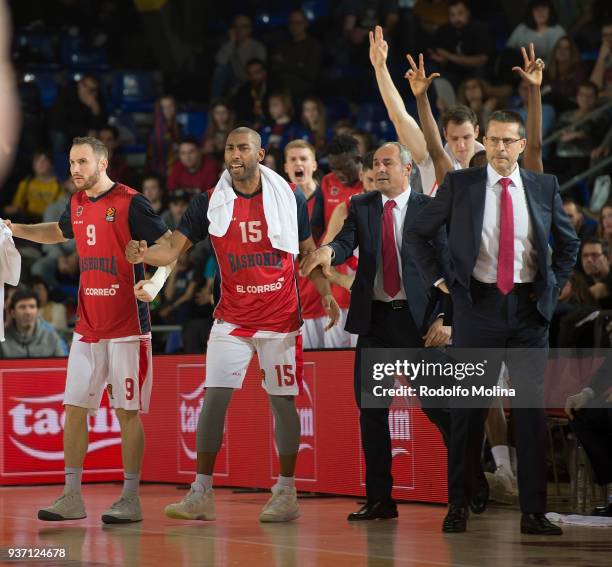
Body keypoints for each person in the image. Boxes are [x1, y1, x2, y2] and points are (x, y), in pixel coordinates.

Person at [126, 127, 340, 523]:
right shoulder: (208, 201)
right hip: (233, 317)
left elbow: (308, 250)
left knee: (282, 403)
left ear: (261, 153)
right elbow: (173, 248)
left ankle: (286, 491)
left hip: (279, 317)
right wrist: (146, 252)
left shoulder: (288, 196)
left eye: (243, 147)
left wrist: (325, 291)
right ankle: (201, 492)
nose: (235, 154)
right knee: (214, 400)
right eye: (229, 147)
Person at [405, 110, 580, 534]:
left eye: (509, 141)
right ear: (487, 141)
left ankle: (534, 512)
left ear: (522, 145)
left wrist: (549, 292)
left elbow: (569, 243)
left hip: (527, 311)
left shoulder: (543, 186)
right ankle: (458, 505)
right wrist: (442, 280)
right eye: (495, 140)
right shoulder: (461, 184)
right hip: (478, 308)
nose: (501, 148)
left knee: (530, 412)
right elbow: (416, 233)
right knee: (468, 411)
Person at [5, 136, 170, 524]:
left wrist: (149, 266)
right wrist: (15, 229)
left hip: (128, 327)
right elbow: (58, 232)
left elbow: (170, 248)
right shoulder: (77, 203)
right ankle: (71, 495)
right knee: (74, 409)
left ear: (102, 162)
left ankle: (130, 498)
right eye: (71, 163)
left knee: (127, 413)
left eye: (81, 162)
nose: (74, 170)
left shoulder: (131, 201)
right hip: (87, 327)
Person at [300, 142, 452, 521]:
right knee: (371, 412)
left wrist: (448, 319)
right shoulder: (362, 206)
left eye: (388, 163)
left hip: (419, 324)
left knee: (438, 409)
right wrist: (328, 253)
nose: (379, 169)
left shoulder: (429, 210)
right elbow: (344, 241)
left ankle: (467, 487)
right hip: (375, 322)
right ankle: (381, 500)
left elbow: (452, 269)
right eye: (375, 164)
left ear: (407, 169)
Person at [320, 135, 364, 347]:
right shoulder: (328, 182)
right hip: (336, 283)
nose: (338, 174)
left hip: (363, 288)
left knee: (364, 361)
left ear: (358, 159)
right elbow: (319, 230)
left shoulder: (371, 184)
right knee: (334, 362)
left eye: (343, 167)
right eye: (333, 168)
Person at [284, 139, 327, 348]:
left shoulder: (329, 198)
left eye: (303, 158)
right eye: (293, 160)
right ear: (286, 167)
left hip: (334, 293)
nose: (298, 164)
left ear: (314, 165)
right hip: (301, 298)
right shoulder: (279, 203)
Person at [429, 0, 493, 87]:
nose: (456, 19)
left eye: (460, 13)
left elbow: (481, 60)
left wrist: (448, 56)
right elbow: (435, 51)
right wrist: (442, 60)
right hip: (454, 73)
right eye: (452, 15)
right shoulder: (444, 30)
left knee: (479, 72)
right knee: (431, 73)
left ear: (468, 12)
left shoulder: (480, 28)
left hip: (476, 73)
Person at [0, 288, 65, 358]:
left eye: (32, 306)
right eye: (22, 307)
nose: (28, 312)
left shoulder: (51, 337)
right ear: (13, 313)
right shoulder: (2, 340)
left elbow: (63, 366)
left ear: (38, 311)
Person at [5, 150, 63, 223]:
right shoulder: (26, 183)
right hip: (28, 221)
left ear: (51, 164)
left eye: (45, 160)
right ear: (33, 164)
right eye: (37, 160)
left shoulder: (58, 185)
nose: (40, 164)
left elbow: (61, 208)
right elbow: (17, 205)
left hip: (49, 222)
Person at [506, 0, 565, 64]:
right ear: (531, 12)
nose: (540, 12)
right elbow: (508, 51)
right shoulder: (522, 29)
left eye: (544, 8)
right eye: (536, 9)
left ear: (550, 11)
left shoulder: (558, 31)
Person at [146, 95, 182, 177]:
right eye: (164, 107)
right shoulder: (154, 130)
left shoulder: (179, 127)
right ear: (159, 110)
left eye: (170, 106)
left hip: (176, 166)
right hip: (158, 170)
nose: (168, 110)